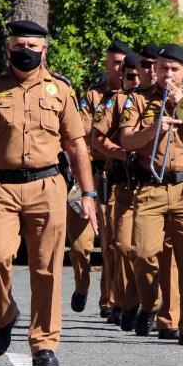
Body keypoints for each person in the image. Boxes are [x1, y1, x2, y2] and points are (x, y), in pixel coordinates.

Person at [0, 20, 97, 366]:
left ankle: (44, 343)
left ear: (44, 49)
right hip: (1, 187)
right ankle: (4, 314)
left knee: (46, 268)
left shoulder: (60, 90)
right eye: (19, 45)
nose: (26, 52)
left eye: (33, 47)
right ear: (8, 48)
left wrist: (89, 192)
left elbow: (77, 144)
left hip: (48, 186)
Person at [120, 43, 183, 346]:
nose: (168, 74)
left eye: (175, 69)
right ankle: (151, 303)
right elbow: (126, 141)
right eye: (163, 68)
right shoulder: (136, 100)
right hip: (151, 186)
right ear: (155, 70)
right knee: (142, 254)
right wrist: (154, 130)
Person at [69, 40, 130, 320]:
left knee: (112, 242)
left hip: (116, 173)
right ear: (107, 63)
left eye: (123, 63)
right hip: (90, 171)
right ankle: (82, 287)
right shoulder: (94, 94)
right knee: (80, 245)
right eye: (114, 62)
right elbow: (80, 130)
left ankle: (111, 301)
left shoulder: (137, 94)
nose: (119, 68)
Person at [91, 51, 148, 333]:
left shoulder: (160, 99)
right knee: (122, 246)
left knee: (151, 250)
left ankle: (153, 305)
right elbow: (96, 137)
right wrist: (123, 154)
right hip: (124, 183)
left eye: (140, 74)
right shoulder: (115, 101)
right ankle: (125, 302)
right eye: (131, 76)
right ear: (123, 77)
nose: (136, 80)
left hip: (157, 185)